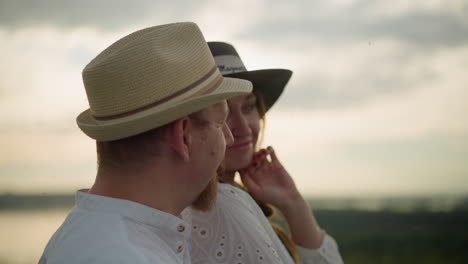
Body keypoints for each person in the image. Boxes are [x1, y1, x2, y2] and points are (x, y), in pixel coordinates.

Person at [39, 23, 252, 264]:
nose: (230, 138)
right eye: (220, 122)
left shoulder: (92, 234)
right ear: (184, 135)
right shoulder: (127, 255)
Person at [182, 42, 343, 264]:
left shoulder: (210, 198)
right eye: (224, 111)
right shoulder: (221, 204)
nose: (243, 127)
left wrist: (292, 202)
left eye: (249, 107)